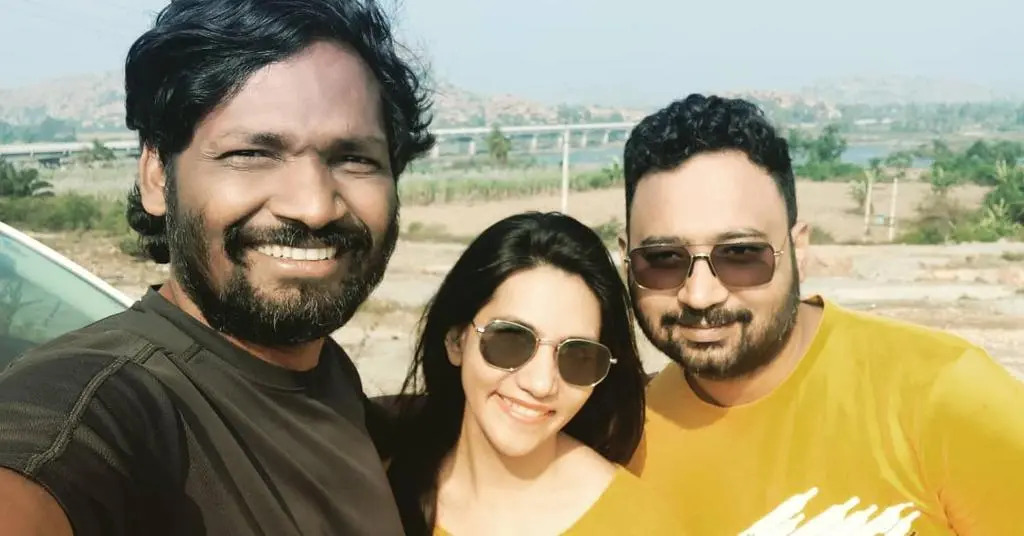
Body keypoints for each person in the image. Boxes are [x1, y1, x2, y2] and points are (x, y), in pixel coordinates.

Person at [0, 0, 435, 534]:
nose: (314, 206)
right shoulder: (100, 405)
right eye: (251, 154)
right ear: (158, 176)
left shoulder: (321, 371)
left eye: (355, 159)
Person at [621, 94, 1024, 535]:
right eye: (663, 259)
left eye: (740, 255)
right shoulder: (624, 441)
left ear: (800, 249)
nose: (699, 295)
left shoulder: (945, 397)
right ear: (626, 260)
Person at [382, 212, 684, 535]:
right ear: (457, 341)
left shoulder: (636, 524)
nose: (541, 383)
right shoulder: (383, 495)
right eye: (511, 340)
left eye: (578, 356)